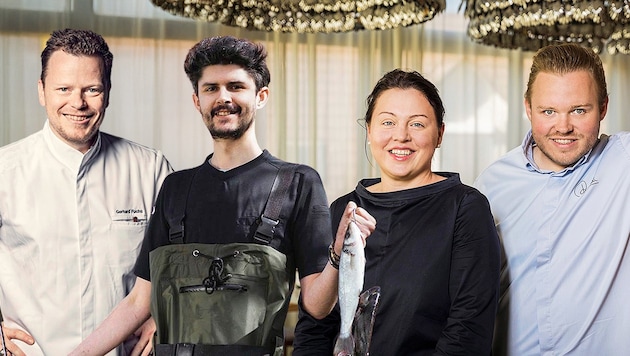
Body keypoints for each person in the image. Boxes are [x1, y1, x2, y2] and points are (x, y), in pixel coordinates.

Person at [71, 35, 376, 355]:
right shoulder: (176, 188)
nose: (223, 97)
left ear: (261, 96)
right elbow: (138, 302)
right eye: (211, 88)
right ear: (197, 101)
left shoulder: (297, 183)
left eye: (236, 86)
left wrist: (339, 255)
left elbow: (316, 305)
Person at [293, 69, 501, 355]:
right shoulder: (343, 210)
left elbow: (468, 331)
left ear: (439, 134)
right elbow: (314, 325)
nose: (400, 136)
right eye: (387, 122)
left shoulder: (465, 208)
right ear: (369, 131)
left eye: (417, 124)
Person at [0, 29, 173, 356]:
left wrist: (163, 319)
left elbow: (183, 266)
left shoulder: (151, 170)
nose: (77, 103)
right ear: (42, 91)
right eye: (63, 88)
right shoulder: (4, 172)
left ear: (107, 92)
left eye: (91, 89)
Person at [474, 43, 630, 355]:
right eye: (548, 111)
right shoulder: (490, 185)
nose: (563, 126)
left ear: (603, 108)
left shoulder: (624, 161)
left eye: (579, 110)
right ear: (528, 108)